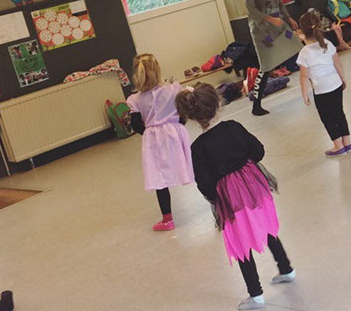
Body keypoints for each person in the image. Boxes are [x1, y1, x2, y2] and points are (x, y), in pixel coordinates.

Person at [177, 84, 295, 311]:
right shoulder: (233, 127)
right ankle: (286, 268)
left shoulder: (198, 147)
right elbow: (258, 150)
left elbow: (204, 183)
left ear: (193, 117)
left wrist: (217, 197)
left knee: (241, 242)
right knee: (266, 226)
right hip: (254, 185)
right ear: (218, 104)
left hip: (230, 197)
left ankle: (256, 294)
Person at [221, 0, 301, 116]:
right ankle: (256, 104)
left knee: (298, 47)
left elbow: (278, 0)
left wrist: (288, 18)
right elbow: (251, 9)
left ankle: (314, 80)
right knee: (266, 65)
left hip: (279, 26)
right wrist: (270, 19)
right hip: (263, 32)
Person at [126, 54, 193, 231]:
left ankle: (167, 219)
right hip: (175, 133)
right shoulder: (173, 89)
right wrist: (176, 125)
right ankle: (216, 203)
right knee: (190, 165)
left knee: (159, 178)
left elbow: (136, 125)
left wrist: (150, 131)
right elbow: (183, 112)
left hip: (153, 139)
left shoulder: (135, 100)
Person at [297, 12, 351, 157]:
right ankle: (347, 142)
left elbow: (304, 76)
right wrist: (343, 79)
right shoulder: (327, 44)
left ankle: (338, 145)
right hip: (336, 84)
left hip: (321, 90)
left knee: (327, 117)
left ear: (302, 31)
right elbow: (338, 63)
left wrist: (305, 93)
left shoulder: (304, 53)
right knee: (339, 112)